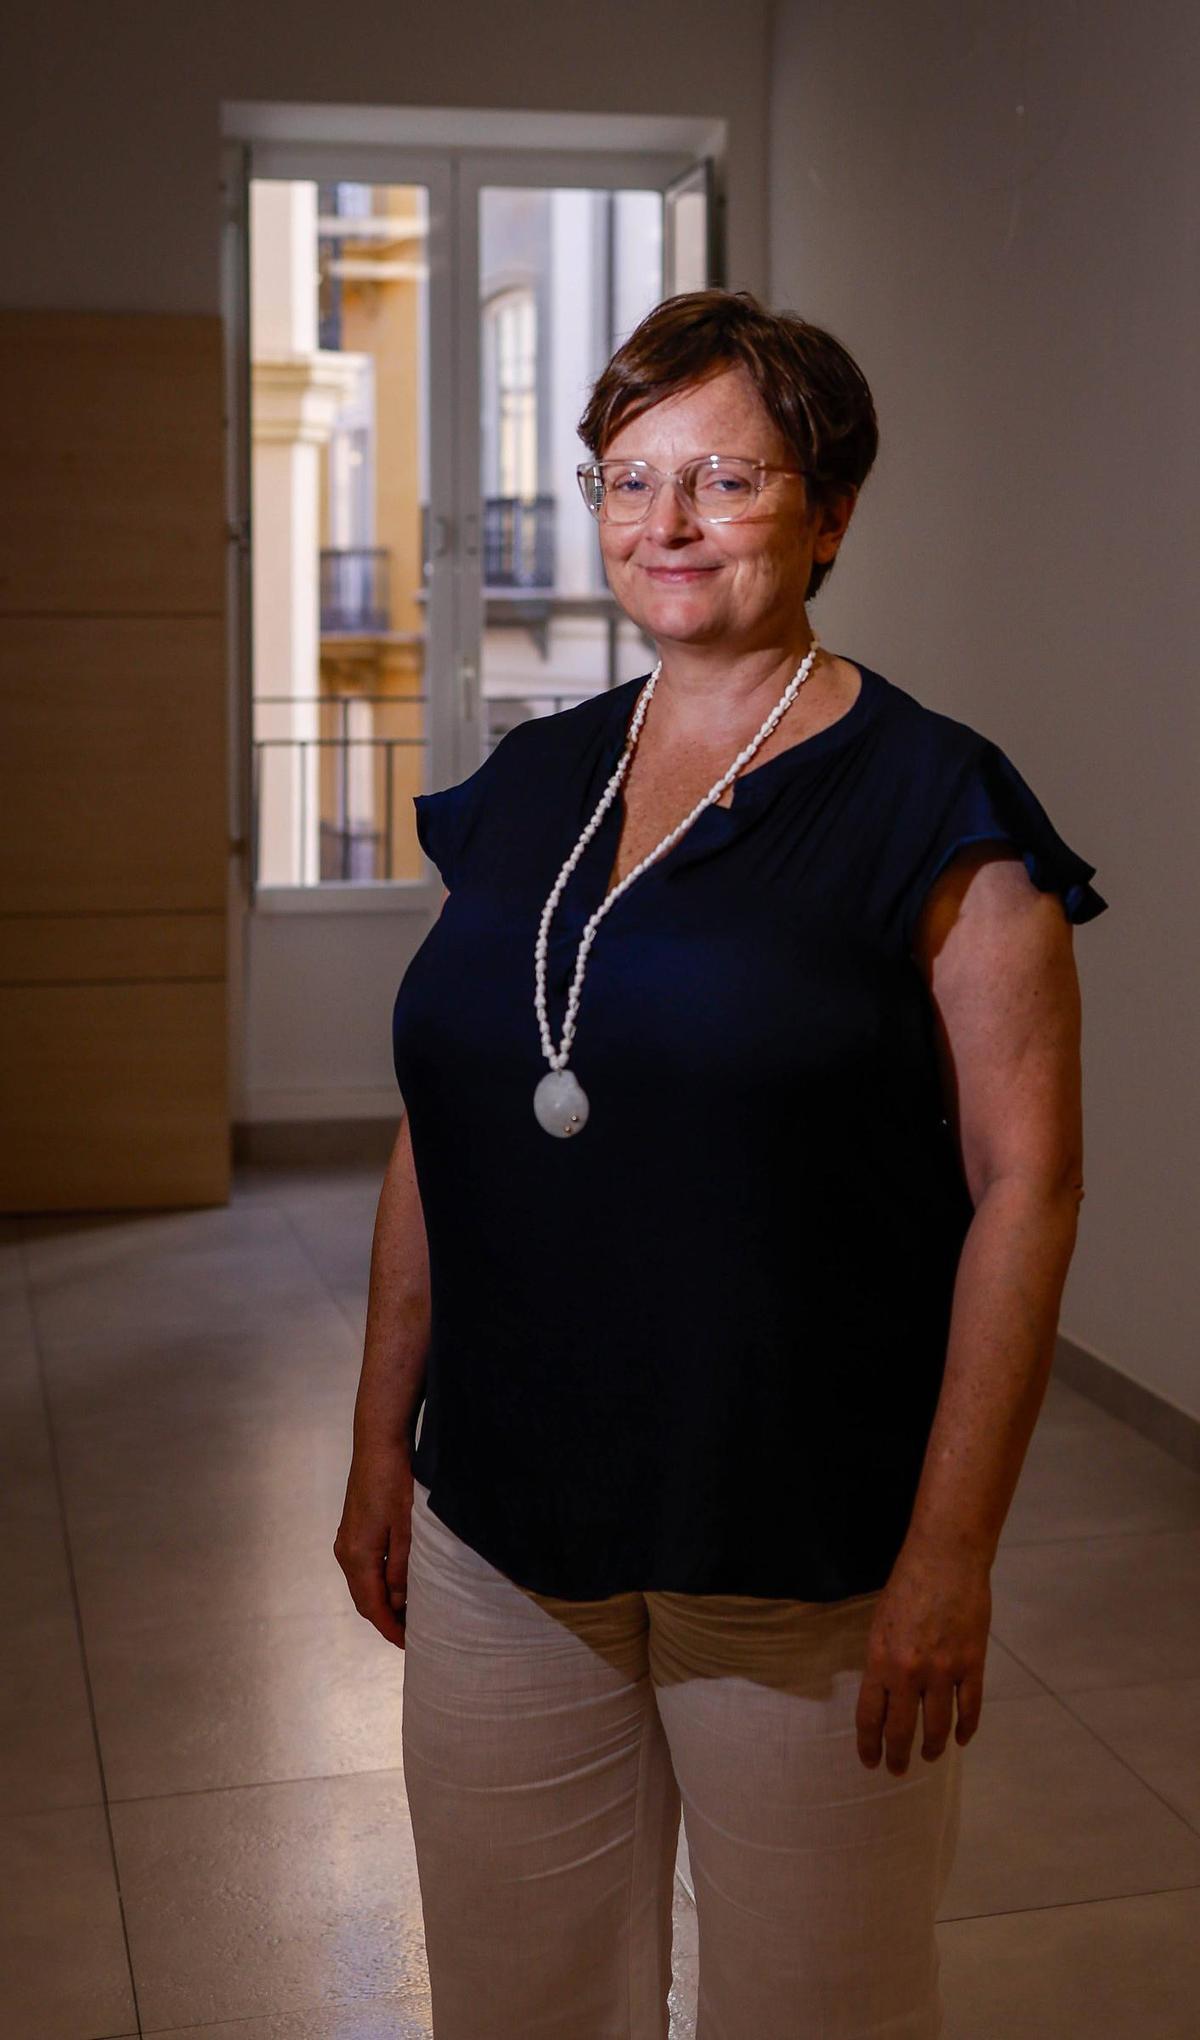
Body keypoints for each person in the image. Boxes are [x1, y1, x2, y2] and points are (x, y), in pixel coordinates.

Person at [335, 288, 1108, 2039]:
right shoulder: (531, 782)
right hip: (505, 1540)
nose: (665, 523)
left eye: (725, 480)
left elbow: (1026, 1191)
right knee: (518, 2005)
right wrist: (385, 1440)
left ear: (830, 513)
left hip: (805, 1554)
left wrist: (952, 1554)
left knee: (816, 2010)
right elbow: (439, 1127)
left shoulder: (936, 804)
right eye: (628, 479)